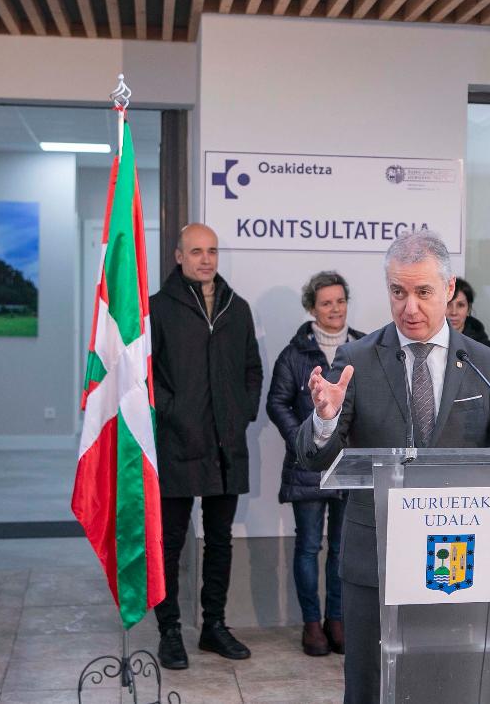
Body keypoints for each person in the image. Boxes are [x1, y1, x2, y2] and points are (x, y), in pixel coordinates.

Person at [293, 229, 490, 704]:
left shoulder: (483, 362)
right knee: (369, 686)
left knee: (446, 681)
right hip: (373, 558)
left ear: (448, 289)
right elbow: (314, 455)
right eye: (398, 292)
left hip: (457, 557)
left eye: (422, 292)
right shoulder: (356, 359)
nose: (409, 307)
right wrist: (325, 418)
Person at [149, 223, 263, 670]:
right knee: (170, 543)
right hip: (177, 443)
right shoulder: (159, 308)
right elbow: (148, 377)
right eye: (196, 251)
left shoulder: (239, 309)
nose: (205, 259)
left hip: (225, 445)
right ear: (179, 256)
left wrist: (242, 412)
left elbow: (252, 368)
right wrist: (174, 412)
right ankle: (170, 631)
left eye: (212, 251)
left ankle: (213, 626)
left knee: (220, 540)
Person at [267, 271, 364, 657]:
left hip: (348, 464)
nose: (335, 308)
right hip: (307, 468)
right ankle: (312, 625)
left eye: (340, 301)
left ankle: (335, 620)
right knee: (309, 547)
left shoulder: (361, 348)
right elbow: (277, 403)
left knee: (342, 549)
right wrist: (303, 440)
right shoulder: (294, 353)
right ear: (312, 307)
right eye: (326, 303)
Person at [447, 276, 490, 349]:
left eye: (460, 305)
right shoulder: (427, 343)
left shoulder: (485, 349)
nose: (454, 312)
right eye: (448, 304)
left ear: (468, 309)